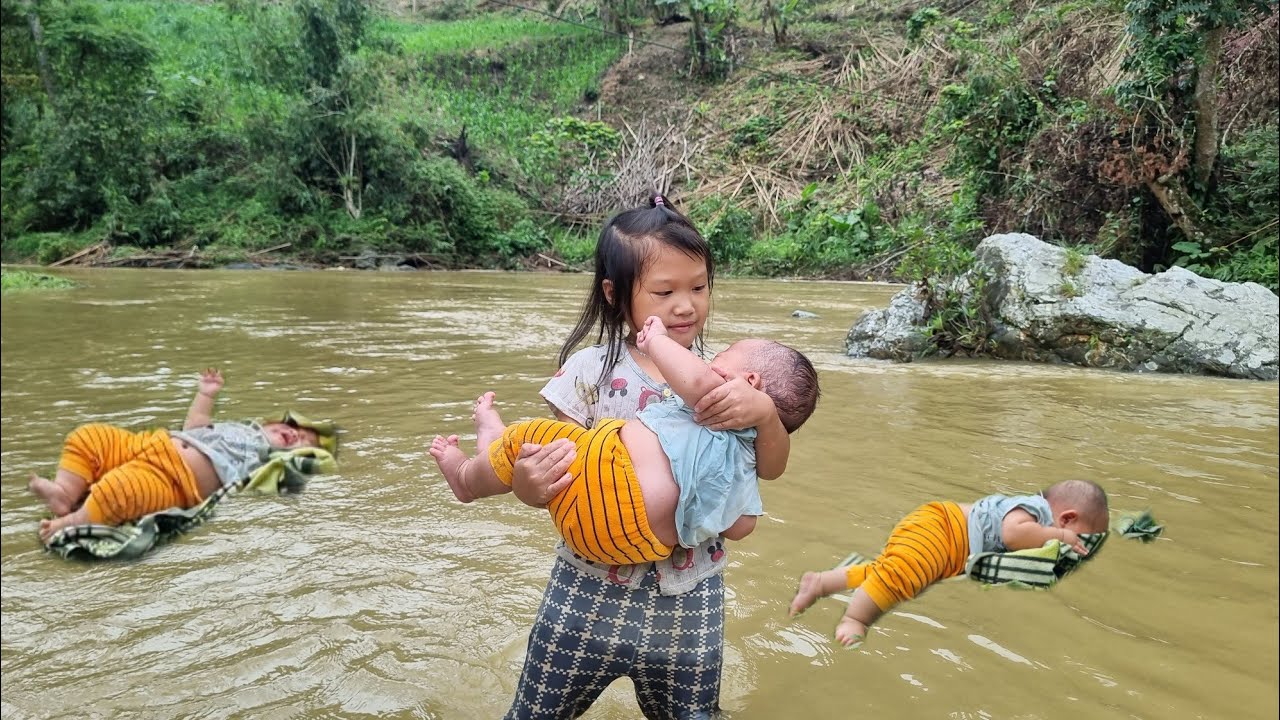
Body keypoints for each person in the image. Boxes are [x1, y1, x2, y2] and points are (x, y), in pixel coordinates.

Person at [448, 194, 788, 719]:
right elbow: (565, 475)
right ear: (615, 294)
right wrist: (527, 488)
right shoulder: (589, 372)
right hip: (587, 587)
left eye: (698, 287)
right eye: (664, 291)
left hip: (688, 591)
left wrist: (766, 415)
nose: (686, 305)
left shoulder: (722, 379)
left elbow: (770, 467)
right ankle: (483, 449)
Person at [430, 315, 820, 565]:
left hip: (604, 501)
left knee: (529, 438)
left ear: (749, 383)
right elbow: (740, 527)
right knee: (536, 457)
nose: (712, 360)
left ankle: (468, 476)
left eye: (725, 355)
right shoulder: (744, 463)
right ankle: (492, 454)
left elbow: (699, 381)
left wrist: (657, 341)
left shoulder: (715, 398)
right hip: (641, 547)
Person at [787, 479, 1111, 647]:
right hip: (943, 529)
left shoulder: (1036, 513)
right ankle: (856, 619)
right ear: (1066, 517)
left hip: (949, 544)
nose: (1071, 542)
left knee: (883, 572)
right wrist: (1060, 537)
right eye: (1077, 534)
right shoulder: (1034, 510)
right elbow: (1013, 535)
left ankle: (822, 583)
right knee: (900, 579)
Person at [29, 368, 329, 541]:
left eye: (301, 441)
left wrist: (300, 458)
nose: (295, 434)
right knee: (90, 437)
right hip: (150, 444)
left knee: (121, 489)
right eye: (294, 429)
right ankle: (65, 491)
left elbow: (288, 476)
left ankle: (71, 521)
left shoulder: (265, 459)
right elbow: (195, 425)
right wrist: (206, 395)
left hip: (174, 480)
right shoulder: (237, 428)